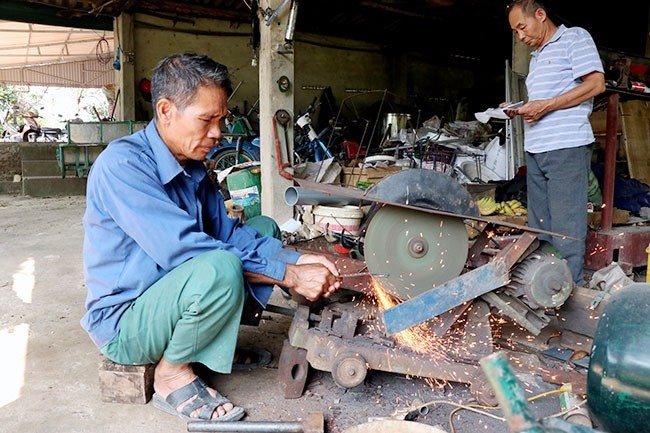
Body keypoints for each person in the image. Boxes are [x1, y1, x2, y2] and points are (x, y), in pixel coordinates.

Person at [81, 52, 341, 422]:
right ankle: (171, 375)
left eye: (220, 120)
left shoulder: (191, 167)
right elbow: (186, 250)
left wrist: (297, 259)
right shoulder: (122, 167)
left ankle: (207, 344)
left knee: (263, 227)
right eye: (206, 120)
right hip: (126, 323)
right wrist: (289, 276)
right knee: (220, 267)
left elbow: (228, 233)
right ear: (166, 110)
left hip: (169, 297)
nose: (218, 133)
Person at [505, 0, 605, 285]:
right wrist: (518, 107)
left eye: (522, 27)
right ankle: (545, 290)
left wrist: (545, 106)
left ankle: (569, 292)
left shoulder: (574, 38)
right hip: (536, 148)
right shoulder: (537, 56)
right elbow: (545, 101)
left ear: (540, 15)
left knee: (566, 228)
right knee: (541, 229)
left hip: (566, 147)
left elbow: (596, 84)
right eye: (515, 32)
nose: (520, 36)